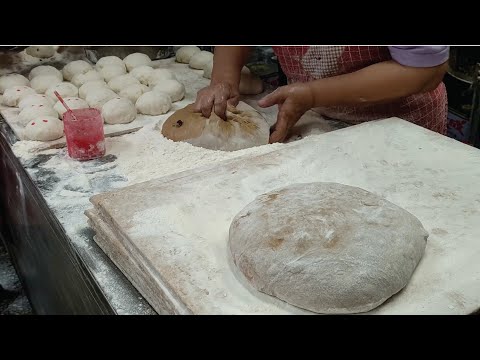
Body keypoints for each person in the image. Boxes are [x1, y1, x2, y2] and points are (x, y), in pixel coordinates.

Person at [194, 46, 449, 143]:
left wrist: (313, 94)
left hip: (399, 127)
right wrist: (224, 79)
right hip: (314, 118)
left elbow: (424, 71)